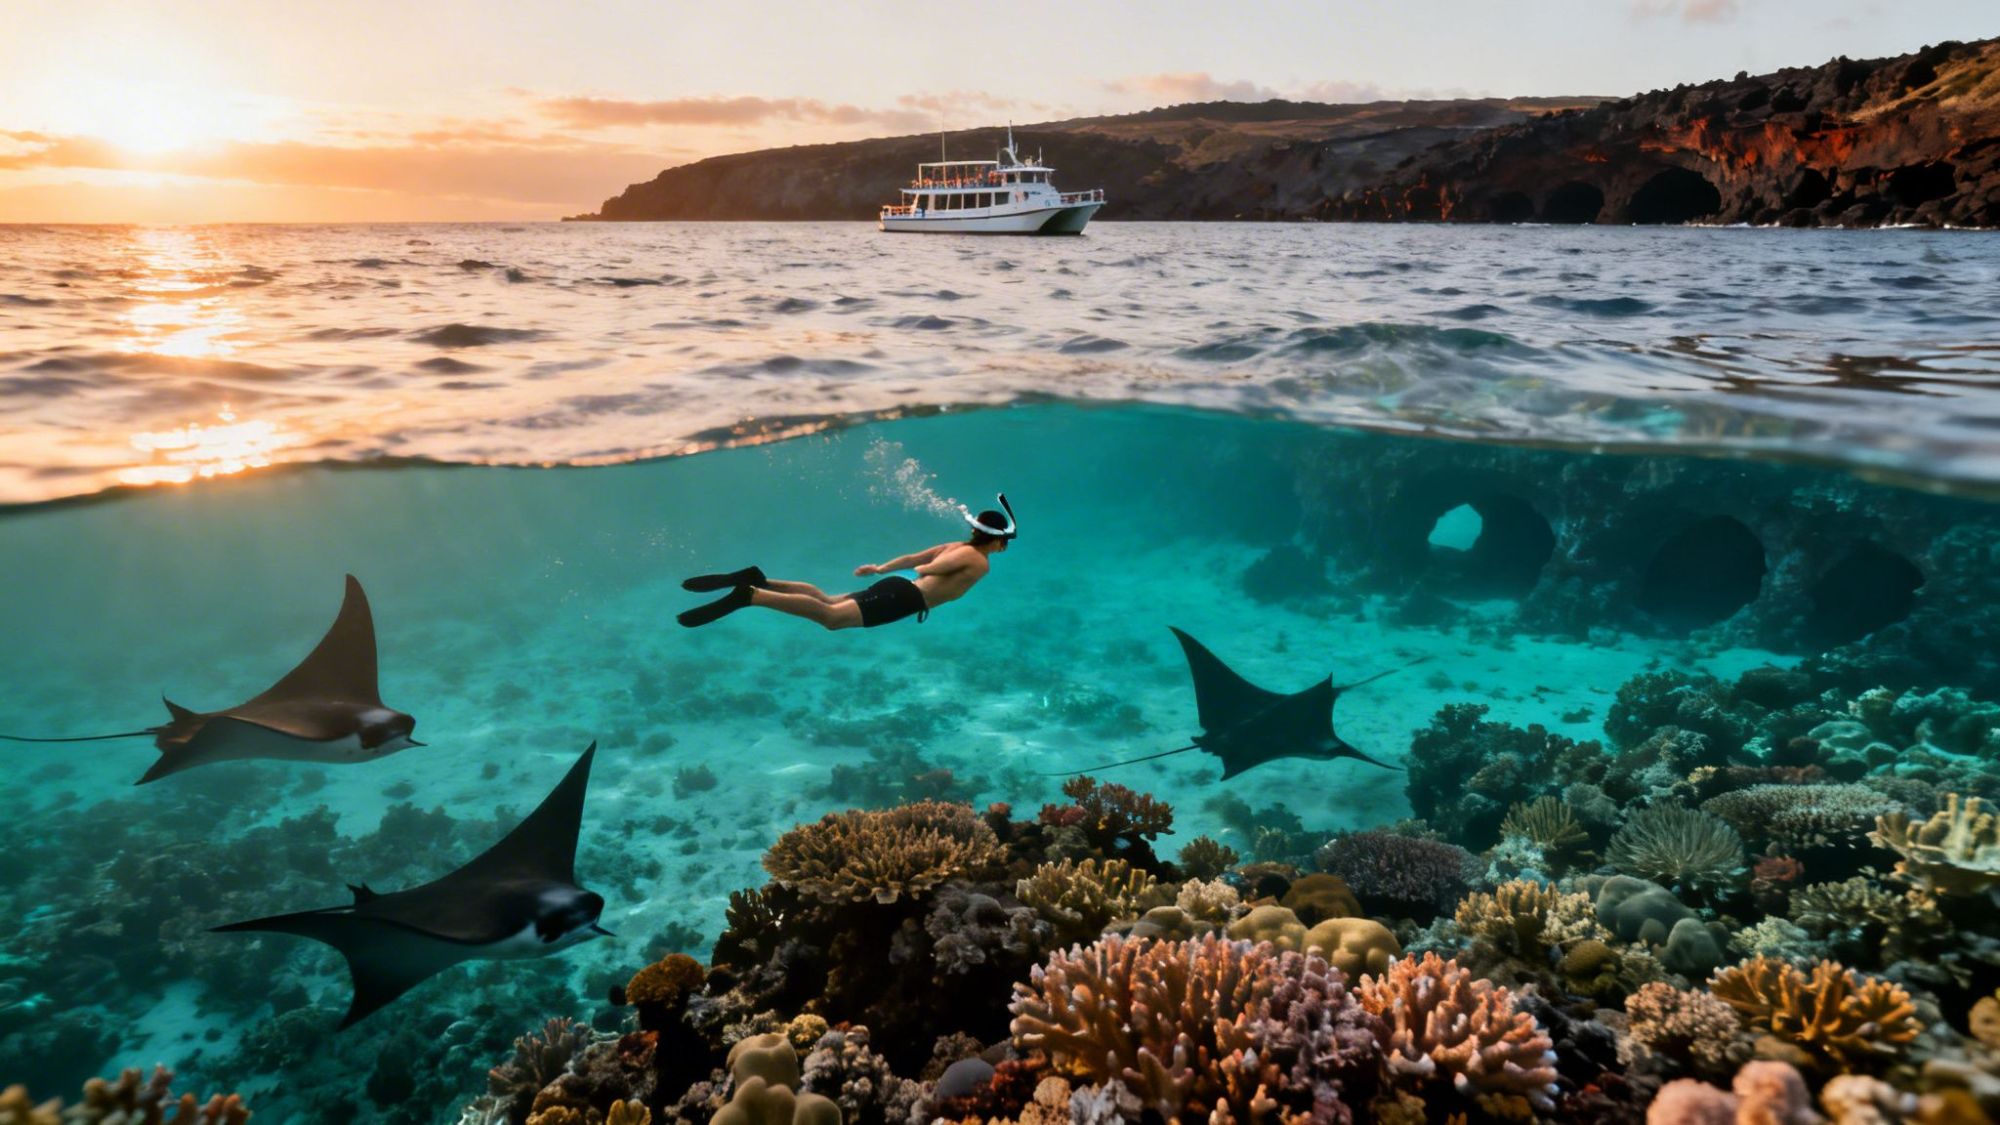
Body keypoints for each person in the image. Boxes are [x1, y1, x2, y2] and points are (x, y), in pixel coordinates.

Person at [677, 495, 1017, 630]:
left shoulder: (956, 544)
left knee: (825, 599)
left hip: (898, 589)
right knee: (831, 618)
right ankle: (750, 595)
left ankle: (761, 580)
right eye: (1006, 542)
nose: (1005, 547)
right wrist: (929, 571)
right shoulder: (976, 559)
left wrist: (882, 568)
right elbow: (925, 566)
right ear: (997, 538)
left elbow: (914, 557)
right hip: (905, 597)